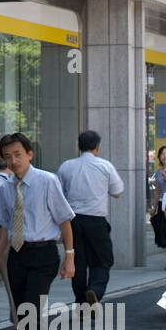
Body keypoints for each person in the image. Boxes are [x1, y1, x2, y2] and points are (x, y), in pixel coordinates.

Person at [0, 132, 75, 330]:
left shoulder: (47, 181)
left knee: (30, 314)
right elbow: (5, 225)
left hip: (43, 254)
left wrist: (70, 257)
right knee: (21, 320)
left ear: (29, 154)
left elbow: (64, 220)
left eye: (17, 154)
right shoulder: (5, 188)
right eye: (7, 156)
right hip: (17, 254)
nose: (13, 161)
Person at [56, 130, 123, 306]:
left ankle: (81, 302)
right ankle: (94, 289)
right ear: (97, 147)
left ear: (79, 146)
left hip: (73, 221)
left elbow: (58, 194)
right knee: (102, 260)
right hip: (96, 220)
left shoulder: (66, 166)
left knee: (77, 263)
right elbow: (117, 192)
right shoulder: (105, 166)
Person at [151, 145, 166, 251]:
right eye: (162, 154)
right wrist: (154, 207)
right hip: (162, 203)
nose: (164, 156)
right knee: (164, 232)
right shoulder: (158, 171)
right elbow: (157, 191)